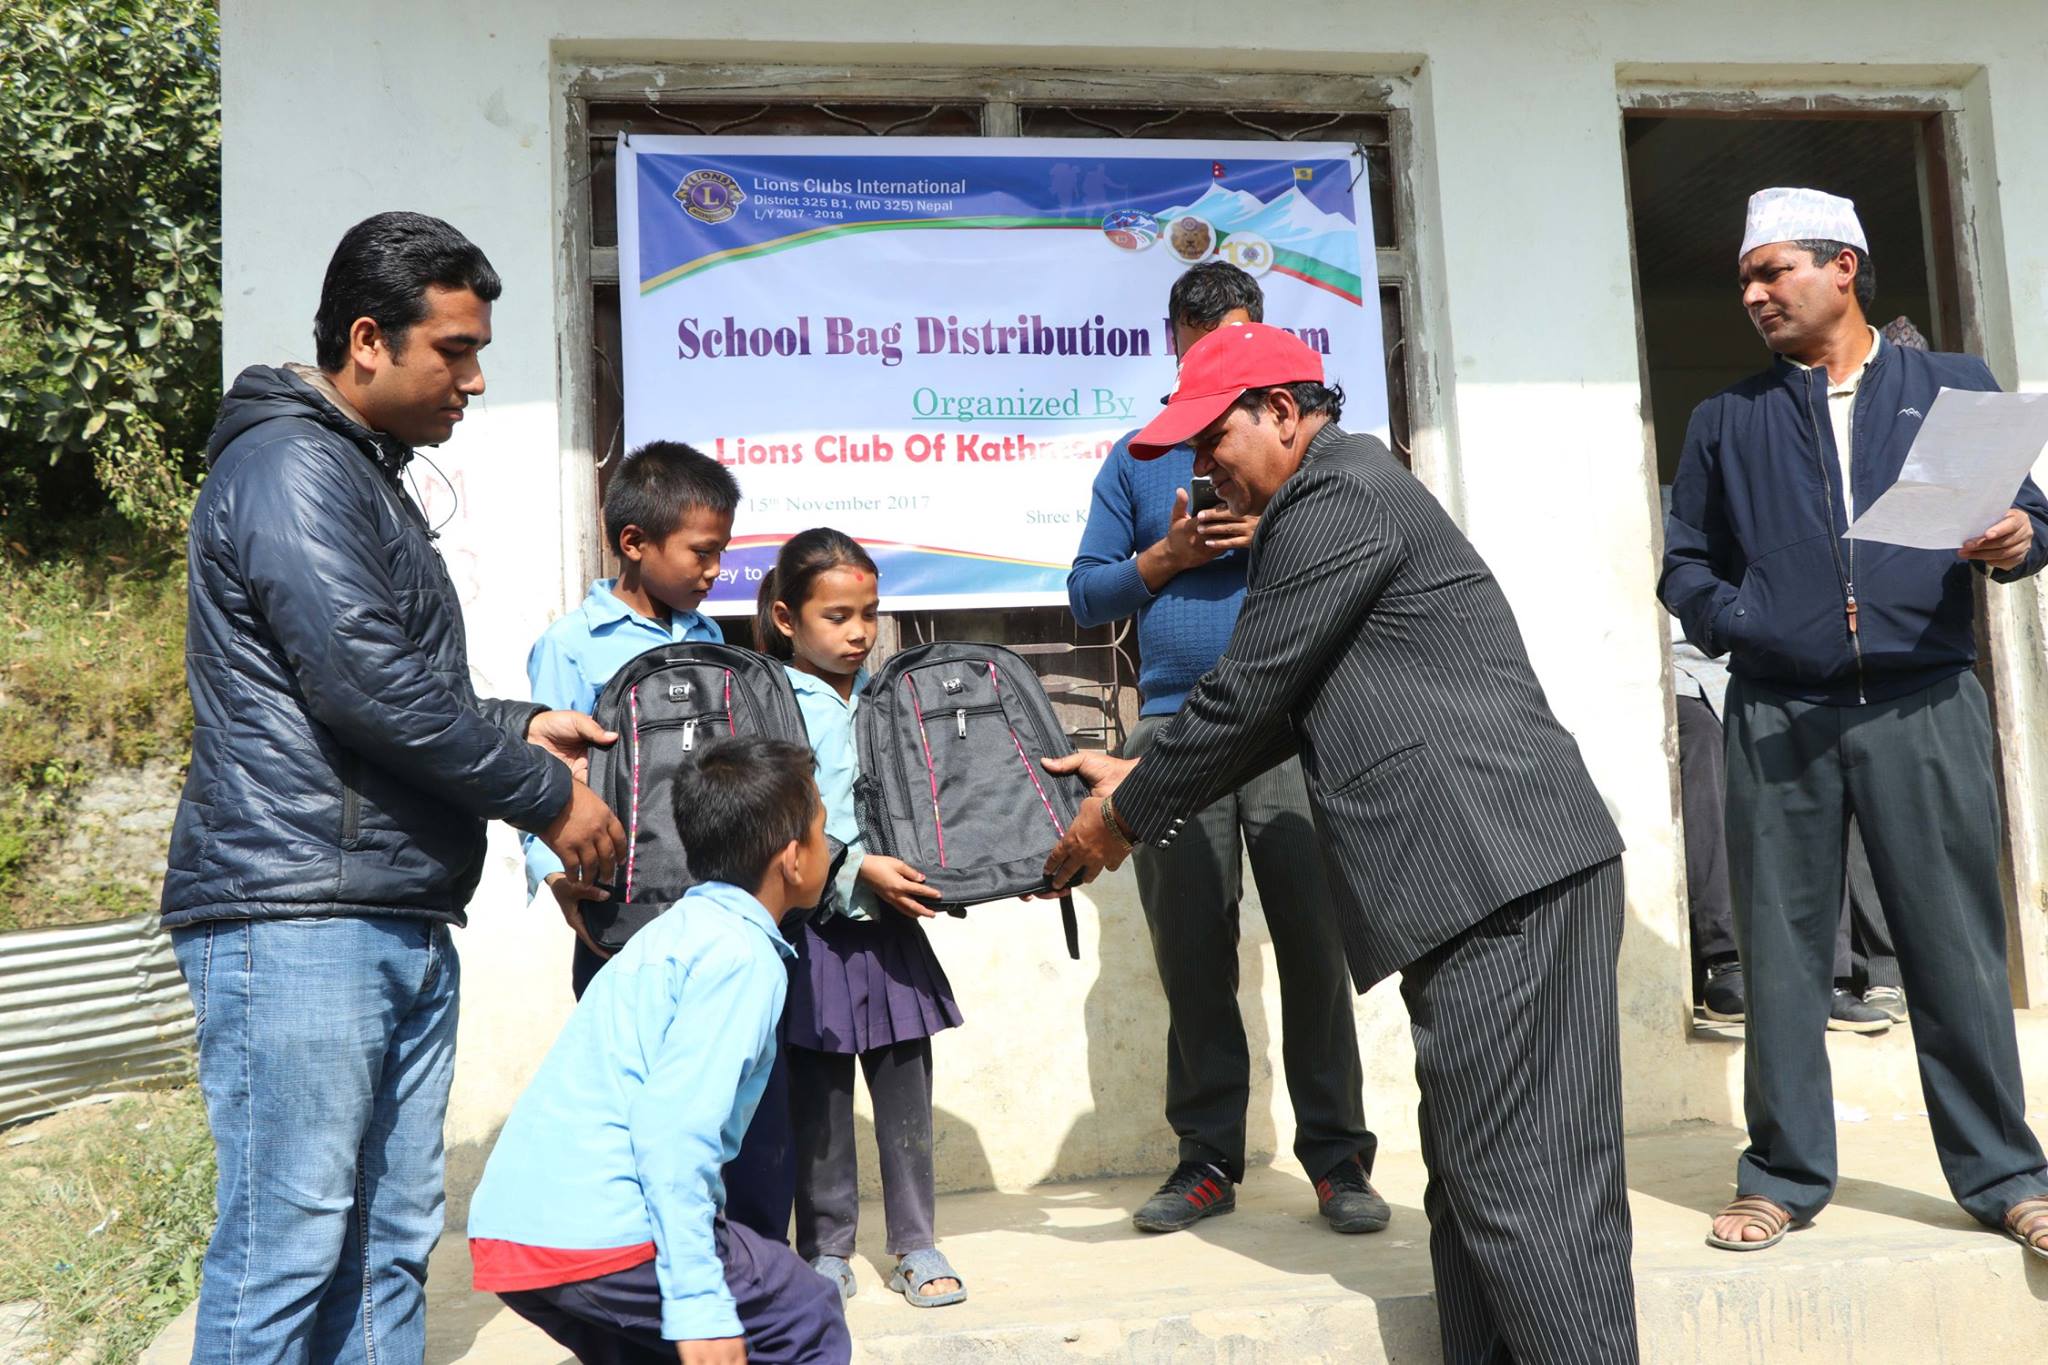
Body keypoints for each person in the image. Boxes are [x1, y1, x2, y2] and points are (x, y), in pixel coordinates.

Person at [1042, 323, 1639, 1363]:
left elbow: (1249, 690)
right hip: (1489, 876)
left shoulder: (1336, 493)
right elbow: (1273, 710)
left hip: (1495, 871)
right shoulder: (1329, 496)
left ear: (1281, 411)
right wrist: (1137, 778)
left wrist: (1118, 818)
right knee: (1478, 1182)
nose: (1200, 468)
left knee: (1521, 1191)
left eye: (1211, 438)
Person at [162, 212, 627, 1365]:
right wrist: (544, 792)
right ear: (367, 340)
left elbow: (386, 681)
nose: (473, 379)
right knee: (291, 1242)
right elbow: (366, 687)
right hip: (298, 913)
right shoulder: (288, 466)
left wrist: (525, 724)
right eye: (454, 351)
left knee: (386, 1237)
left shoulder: (351, 472)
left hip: (383, 904)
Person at [1659, 186, 2048, 1260]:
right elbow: (1682, 561)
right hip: (1779, 712)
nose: (1752, 295)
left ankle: (2006, 1177)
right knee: (1781, 957)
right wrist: (1739, 621)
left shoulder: (1950, 388)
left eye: (1770, 271)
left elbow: (2033, 521)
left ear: (1842, 268)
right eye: (1746, 278)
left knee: (1952, 948)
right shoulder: (1726, 418)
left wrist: (2017, 535)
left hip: (1923, 701)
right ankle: (1780, 1177)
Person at [1068, 261, 1383, 1235]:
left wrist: (1264, 534)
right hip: (1173, 728)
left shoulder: (1298, 455)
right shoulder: (1137, 455)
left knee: (1312, 943)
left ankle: (1336, 1162)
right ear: (1171, 341)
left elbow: (1355, 567)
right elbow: (1084, 599)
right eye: (1199, 347)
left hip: (1292, 722)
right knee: (1192, 954)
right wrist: (1166, 558)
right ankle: (1204, 1159)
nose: (1214, 369)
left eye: (1233, 343)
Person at [468, 736, 852, 1365]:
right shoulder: (740, 955)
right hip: (603, 1230)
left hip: (516, 1234)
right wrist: (699, 1298)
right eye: (821, 833)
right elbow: (674, 1131)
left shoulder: (675, 932)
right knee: (804, 1312)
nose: (825, 851)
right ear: (791, 858)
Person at [754, 530, 968, 1308]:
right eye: (837, 615)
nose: (858, 633)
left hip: (889, 926)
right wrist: (852, 863)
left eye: (870, 614)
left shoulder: (887, 697)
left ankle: (916, 1242)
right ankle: (826, 1247)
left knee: (905, 1087)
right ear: (785, 616)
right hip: (811, 930)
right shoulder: (771, 698)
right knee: (819, 1098)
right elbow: (776, 812)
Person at [525, 440, 737, 997]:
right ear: (635, 543)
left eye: (722, 553)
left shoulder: (709, 637)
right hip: (620, 906)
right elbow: (539, 776)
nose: (716, 571)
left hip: (711, 900)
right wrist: (553, 877)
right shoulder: (571, 645)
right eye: (702, 553)